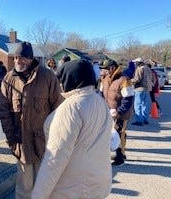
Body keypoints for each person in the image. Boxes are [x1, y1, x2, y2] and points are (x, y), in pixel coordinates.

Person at [31, 59, 112, 199]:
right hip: (98, 181)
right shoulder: (100, 101)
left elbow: (56, 157)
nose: (61, 84)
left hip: (74, 188)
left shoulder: (71, 108)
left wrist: (38, 195)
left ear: (70, 79)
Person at [0, 42, 63, 199]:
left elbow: (58, 110)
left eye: (23, 58)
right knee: (24, 188)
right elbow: (3, 111)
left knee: (45, 185)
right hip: (21, 143)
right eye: (16, 57)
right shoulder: (9, 79)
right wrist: (11, 139)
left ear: (31, 58)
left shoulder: (47, 76)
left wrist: (55, 139)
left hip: (44, 144)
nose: (19, 61)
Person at [100, 59, 135, 166]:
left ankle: (120, 156)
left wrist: (119, 111)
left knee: (119, 132)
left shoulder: (124, 80)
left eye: (106, 69)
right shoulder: (104, 79)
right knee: (108, 133)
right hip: (108, 111)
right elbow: (101, 94)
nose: (104, 71)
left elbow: (128, 98)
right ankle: (114, 153)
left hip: (121, 113)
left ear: (112, 68)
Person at [131, 57, 154, 126]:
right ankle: (145, 120)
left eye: (135, 62)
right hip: (148, 89)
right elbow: (153, 79)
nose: (135, 63)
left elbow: (137, 79)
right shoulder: (148, 69)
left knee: (137, 105)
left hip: (139, 89)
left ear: (138, 62)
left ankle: (139, 121)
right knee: (145, 105)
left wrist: (130, 81)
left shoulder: (139, 68)